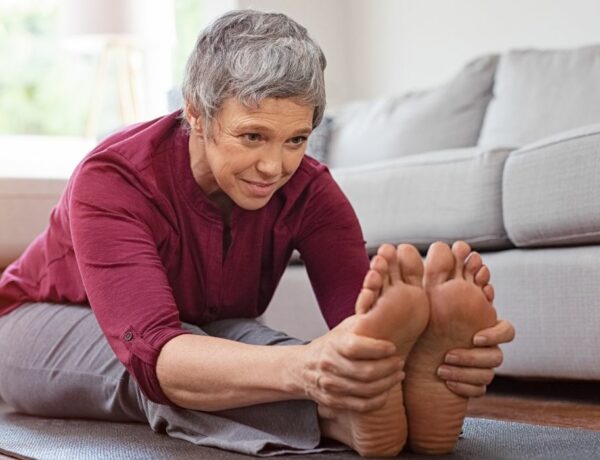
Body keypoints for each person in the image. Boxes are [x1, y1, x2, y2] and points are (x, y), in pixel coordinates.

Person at [0, 10, 515, 457]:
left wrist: (431, 357)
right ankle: (336, 418)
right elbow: (154, 352)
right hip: (40, 324)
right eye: (252, 136)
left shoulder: (311, 190)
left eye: (296, 139)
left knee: (261, 346)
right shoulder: (114, 178)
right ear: (196, 115)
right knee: (174, 373)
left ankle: (371, 408)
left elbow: (359, 326)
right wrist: (310, 370)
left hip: (199, 329)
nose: (275, 165)